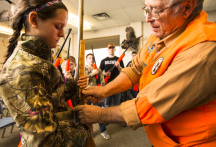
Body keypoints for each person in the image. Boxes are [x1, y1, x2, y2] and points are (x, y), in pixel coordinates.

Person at [74, 0, 216, 146]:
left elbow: (152, 105)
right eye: (146, 9)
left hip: (190, 142)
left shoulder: (201, 52)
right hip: (161, 136)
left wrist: (100, 114)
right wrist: (105, 90)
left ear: (186, 8)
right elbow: (136, 69)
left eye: (156, 10)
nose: (147, 18)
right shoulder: (160, 34)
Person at [0, 0, 94, 146]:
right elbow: (45, 140)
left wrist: (75, 84)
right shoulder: (24, 69)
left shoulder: (39, 60)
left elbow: (52, 98)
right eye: (58, 26)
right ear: (34, 20)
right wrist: (84, 131)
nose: (62, 33)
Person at [85, 53, 111, 140]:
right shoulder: (83, 69)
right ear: (86, 60)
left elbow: (102, 81)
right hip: (86, 94)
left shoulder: (99, 70)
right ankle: (89, 132)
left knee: (99, 112)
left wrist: (103, 93)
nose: (91, 59)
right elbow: (83, 80)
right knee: (87, 114)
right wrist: (92, 74)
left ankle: (103, 130)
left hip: (96, 93)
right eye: (89, 58)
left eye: (93, 58)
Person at [99, 43, 124, 108]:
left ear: (115, 49)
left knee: (117, 103)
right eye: (110, 48)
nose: (111, 49)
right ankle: (106, 117)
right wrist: (105, 74)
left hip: (117, 83)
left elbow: (123, 71)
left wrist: (118, 66)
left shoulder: (119, 59)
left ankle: (117, 117)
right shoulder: (103, 61)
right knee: (107, 103)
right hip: (107, 84)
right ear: (108, 50)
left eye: (112, 48)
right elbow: (99, 72)